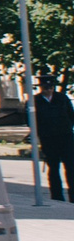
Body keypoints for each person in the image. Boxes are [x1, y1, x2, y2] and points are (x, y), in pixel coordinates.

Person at [36, 74, 74, 203]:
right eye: (46, 87)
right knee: (53, 167)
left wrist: (68, 128)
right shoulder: (36, 101)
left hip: (65, 137)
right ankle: (57, 196)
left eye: (51, 87)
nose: (49, 90)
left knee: (71, 166)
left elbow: (71, 115)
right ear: (41, 87)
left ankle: (73, 196)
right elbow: (31, 120)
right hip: (48, 138)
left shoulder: (62, 98)